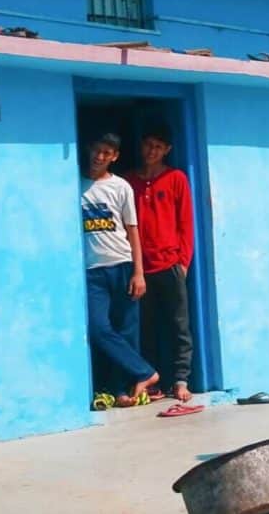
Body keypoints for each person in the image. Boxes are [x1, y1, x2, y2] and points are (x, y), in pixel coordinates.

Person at [81, 132, 159, 407]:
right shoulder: (76, 184)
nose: (99, 156)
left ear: (114, 157)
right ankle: (146, 372)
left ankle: (124, 390)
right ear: (90, 149)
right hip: (92, 271)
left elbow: (132, 230)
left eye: (106, 152)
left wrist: (139, 272)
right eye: (97, 150)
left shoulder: (121, 187)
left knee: (127, 331)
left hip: (122, 265)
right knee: (99, 329)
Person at [124, 123, 195, 403]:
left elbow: (186, 223)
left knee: (179, 326)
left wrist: (183, 263)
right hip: (140, 268)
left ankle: (180, 380)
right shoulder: (129, 181)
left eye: (158, 146)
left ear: (167, 150)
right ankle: (152, 381)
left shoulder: (176, 178)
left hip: (170, 264)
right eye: (148, 145)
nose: (151, 151)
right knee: (146, 328)